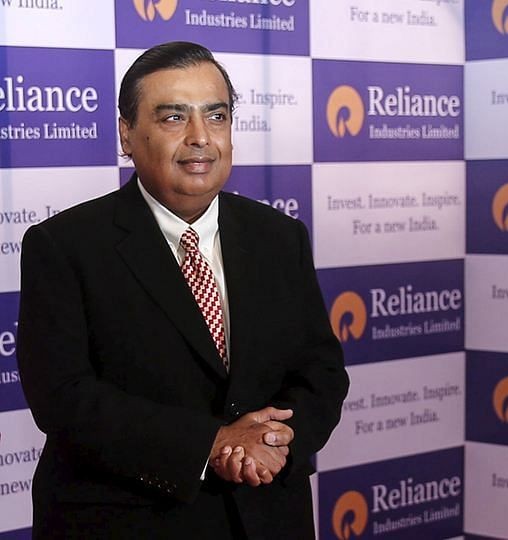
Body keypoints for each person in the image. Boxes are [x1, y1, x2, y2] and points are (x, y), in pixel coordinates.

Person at [17, 41, 349, 539]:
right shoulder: (64, 246)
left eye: (216, 116)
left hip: (267, 515)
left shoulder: (281, 237)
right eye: (174, 117)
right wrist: (211, 443)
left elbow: (321, 370)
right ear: (127, 134)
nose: (200, 138)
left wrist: (278, 438)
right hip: (129, 522)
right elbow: (63, 397)